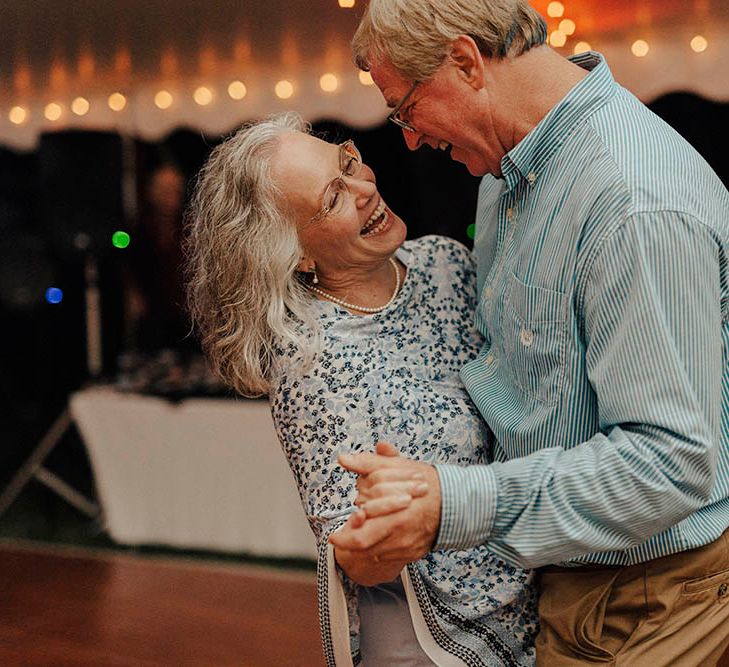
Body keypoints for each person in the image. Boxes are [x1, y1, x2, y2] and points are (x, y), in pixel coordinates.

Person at [330, 1, 729, 665]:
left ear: (465, 61)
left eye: (404, 109)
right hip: (573, 583)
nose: (407, 140)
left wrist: (451, 503)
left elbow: (668, 463)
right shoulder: (508, 173)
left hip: (654, 594)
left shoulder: (630, 200)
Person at [184, 113, 539, 666]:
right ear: (295, 253)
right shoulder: (308, 358)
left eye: (349, 163)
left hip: (535, 603)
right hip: (433, 638)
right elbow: (356, 553)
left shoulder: (445, 263)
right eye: (332, 198)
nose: (365, 189)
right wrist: (373, 537)